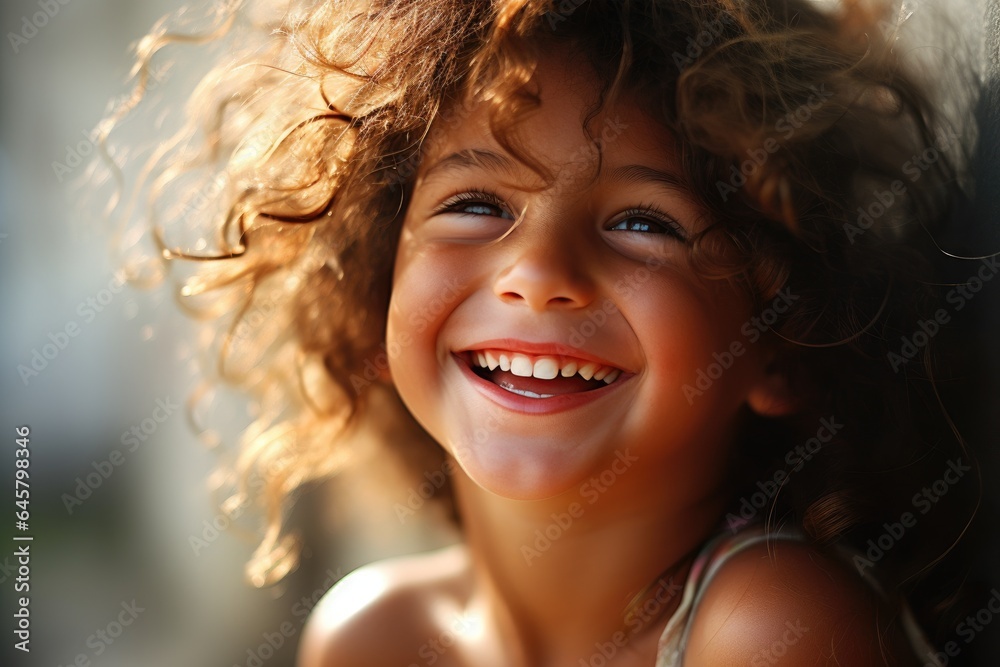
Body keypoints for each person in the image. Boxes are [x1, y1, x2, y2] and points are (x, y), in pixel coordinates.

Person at [104, 0, 985, 664]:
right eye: (477, 204)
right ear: (377, 285)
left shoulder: (772, 627)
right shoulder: (370, 634)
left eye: (647, 222)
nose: (537, 273)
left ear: (784, 338)